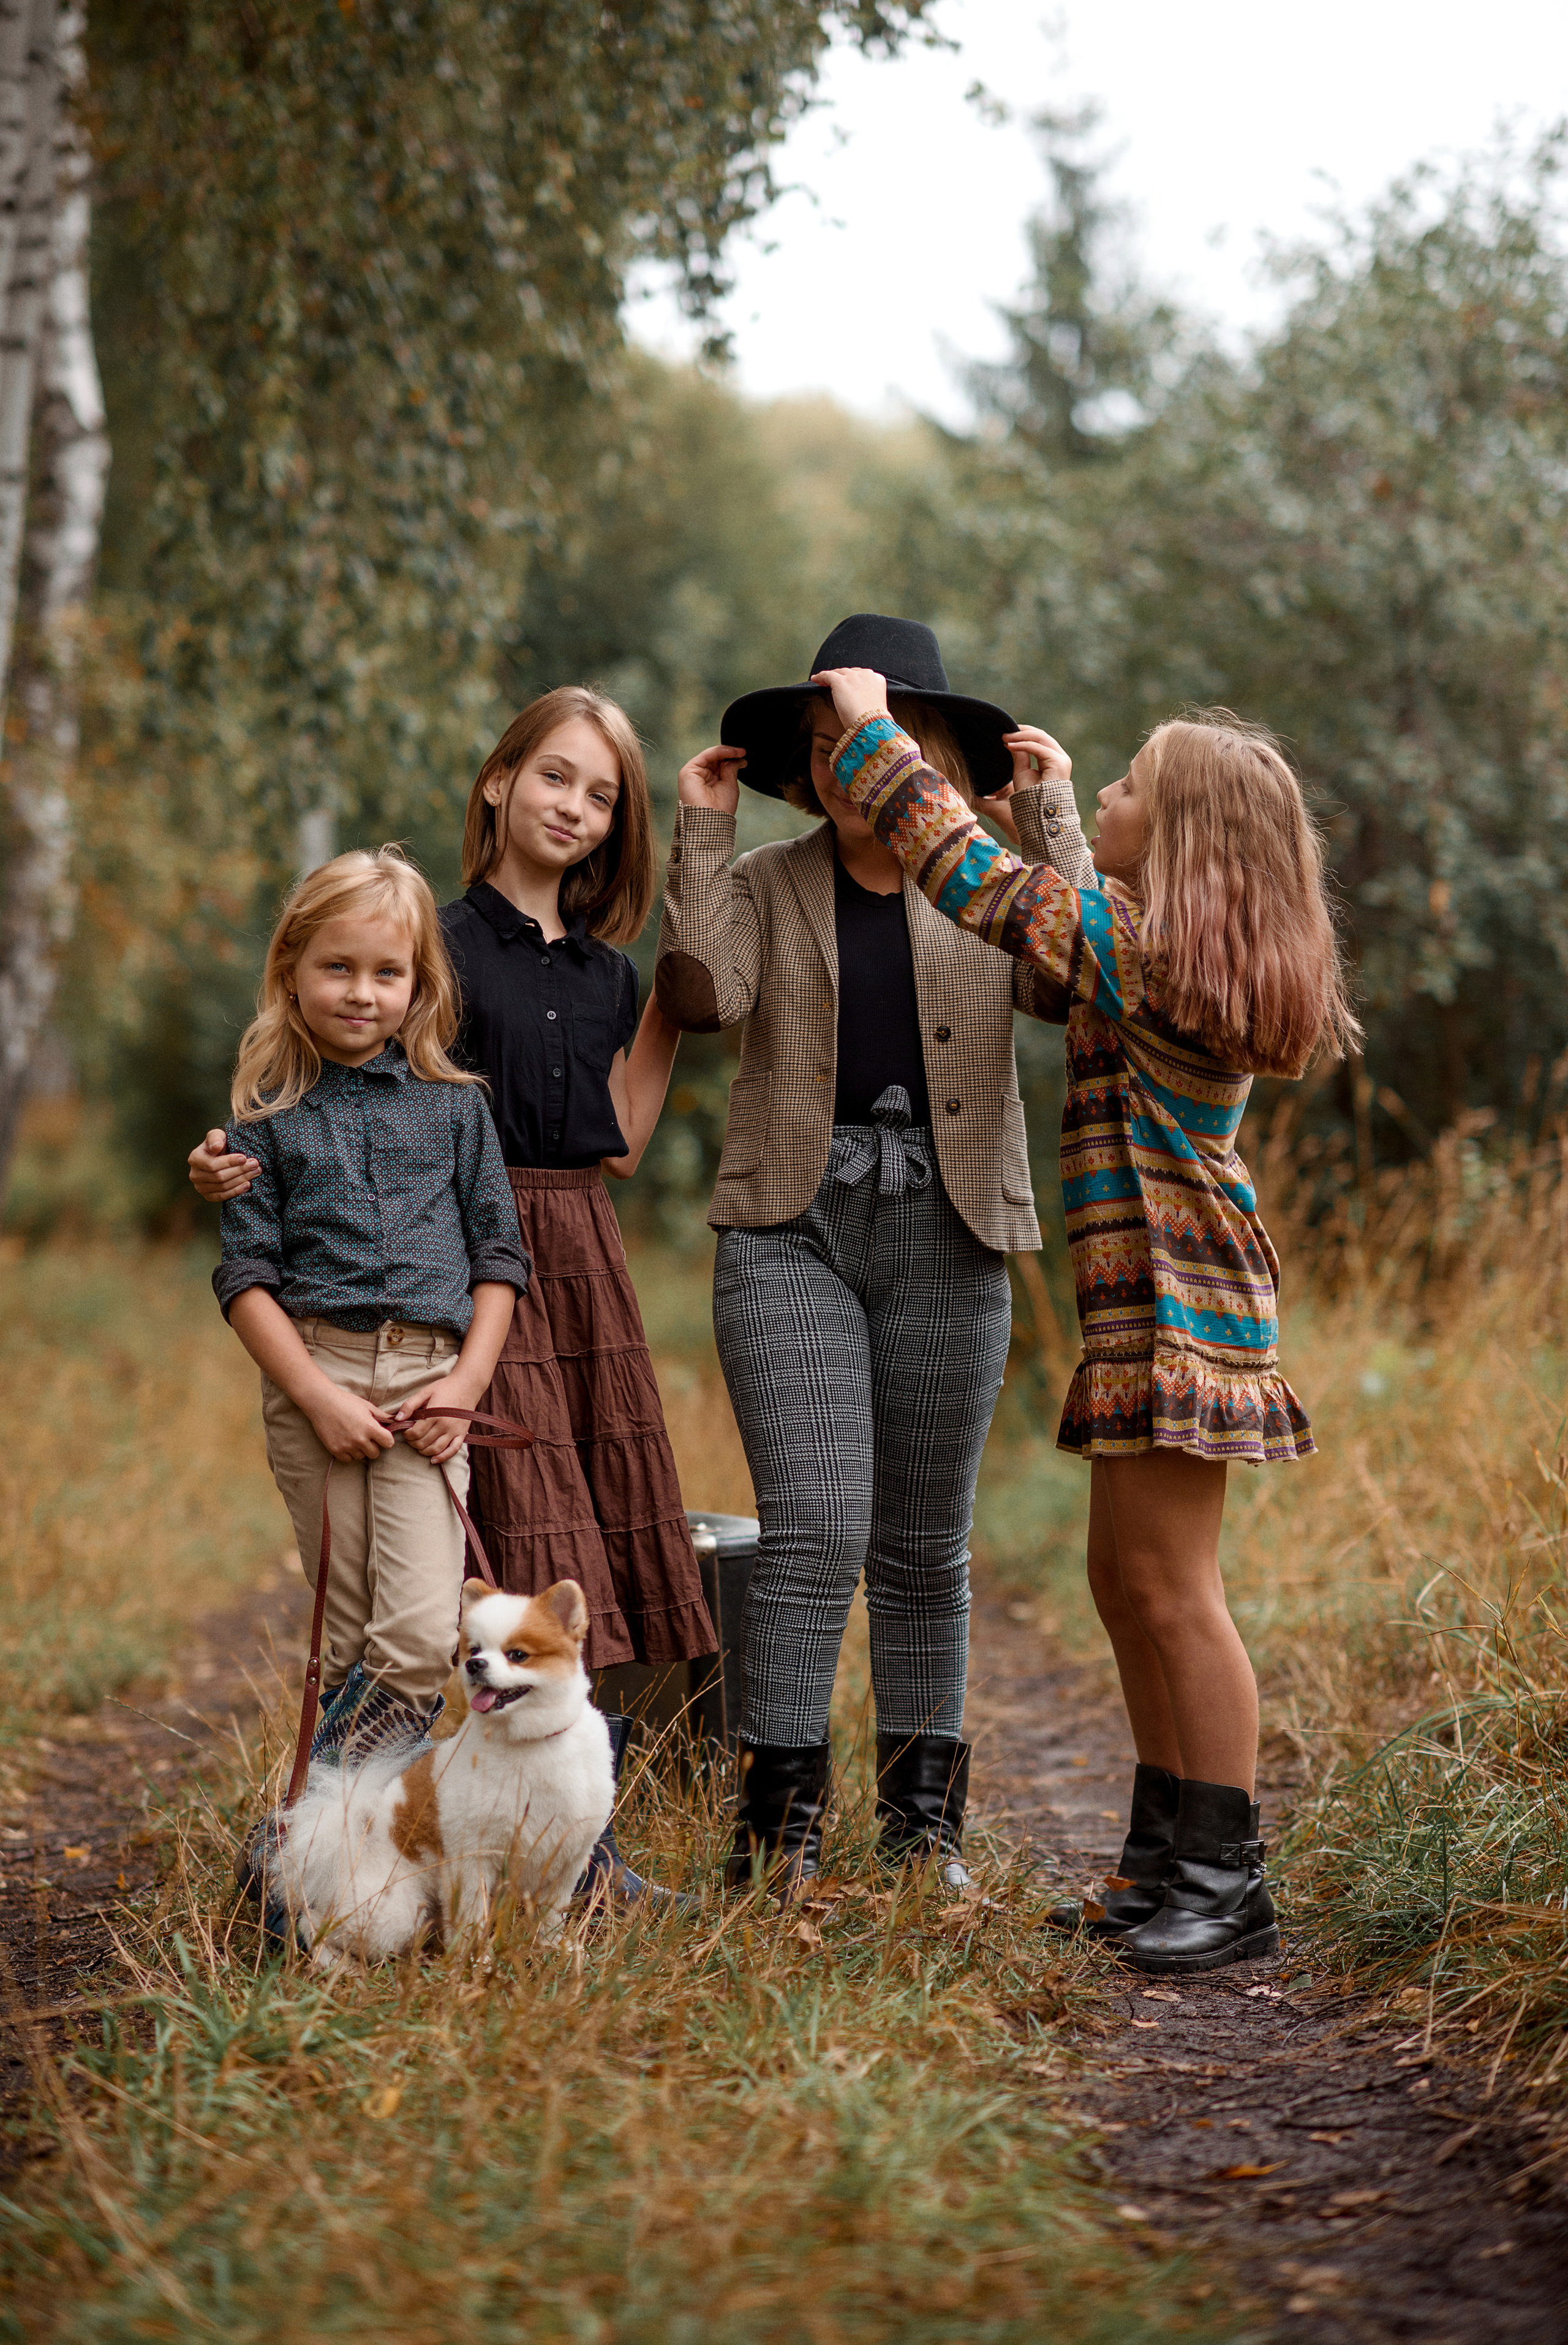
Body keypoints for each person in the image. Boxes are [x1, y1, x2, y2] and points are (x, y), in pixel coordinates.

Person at [812, 662, 1359, 1974]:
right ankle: (1162, 1859)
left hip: (1181, 1306)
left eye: (1125, 784)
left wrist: (874, 731)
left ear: (1182, 839)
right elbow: (1064, 929)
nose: (1101, 789)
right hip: (1147, 1304)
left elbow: (982, 885)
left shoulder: (1148, 956)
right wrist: (1057, 808)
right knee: (1124, 1583)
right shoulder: (1146, 952)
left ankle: (1227, 1879)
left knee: (1175, 1592)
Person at [191, 687, 716, 1907]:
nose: (573, 807)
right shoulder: (433, 938)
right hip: (456, 1264)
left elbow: (623, 1142)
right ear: (498, 780)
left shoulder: (607, 973)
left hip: (568, 1256)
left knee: (576, 1549)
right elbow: (336, 1074)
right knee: (489, 1558)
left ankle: (568, 1849)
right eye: (555, 776)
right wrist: (224, 1157)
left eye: (602, 795)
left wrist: (669, 1008)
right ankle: (325, 1845)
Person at [657, 613, 1086, 1897]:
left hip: (951, 1227)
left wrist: (1052, 822)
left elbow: (1076, 980)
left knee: (923, 1546)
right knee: (812, 1526)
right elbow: (701, 996)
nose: (849, 762)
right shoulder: (767, 881)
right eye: (829, 741)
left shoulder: (988, 885)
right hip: (788, 1230)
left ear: (934, 755)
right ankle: (777, 1836)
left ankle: (922, 1839)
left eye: (876, 735)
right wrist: (702, 837)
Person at [214, 847, 529, 1790]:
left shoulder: (456, 1109)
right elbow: (245, 1278)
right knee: (348, 1636)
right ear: (291, 971)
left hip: (431, 1387)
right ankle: (354, 1848)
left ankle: (307, 1826)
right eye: (338, 968)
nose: (361, 992)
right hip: (317, 1381)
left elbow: (500, 1257)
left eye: (387, 972)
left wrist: (465, 1387)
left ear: (418, 985)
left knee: (422, 1633)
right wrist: (316, 1398)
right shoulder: (263, 1118)